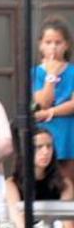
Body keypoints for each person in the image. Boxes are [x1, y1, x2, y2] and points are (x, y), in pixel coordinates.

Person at [34, 17, 74, 181]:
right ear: (41, 45)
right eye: (48, 42)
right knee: (45, 180)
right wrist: (50, 76)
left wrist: (49, 112)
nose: (53, 47)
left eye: (58, 42)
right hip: (44, 134)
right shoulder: (36, 73)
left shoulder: (72, 71)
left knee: (67, 181)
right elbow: (42, 102)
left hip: (68, 134)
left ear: (67, 45)